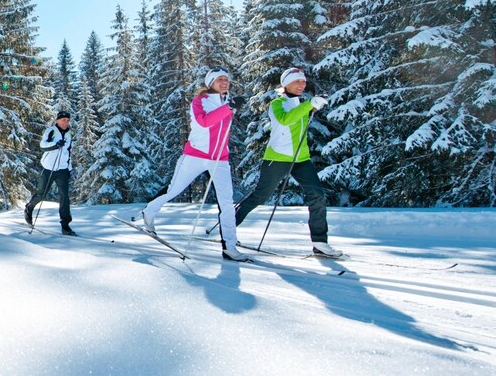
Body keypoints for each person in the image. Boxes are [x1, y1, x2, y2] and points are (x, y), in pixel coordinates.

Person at [137, 69, 249, 261]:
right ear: (210, 82)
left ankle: (230, 246)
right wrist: (228, 107)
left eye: (226, 79)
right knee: (174, 190)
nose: (224, 82)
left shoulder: (227, 101)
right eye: (220, 79)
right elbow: (204, 122)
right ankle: (149, 211)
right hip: (195, 155)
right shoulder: (200, 101)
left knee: (227, 203)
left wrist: (229, 106)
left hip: (220, 159)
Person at [233, 67, 343, 257]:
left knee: (317, 195)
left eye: (303, 82)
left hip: (301, 159)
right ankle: (228, 229)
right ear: (286, 84)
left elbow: (299, 120)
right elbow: (285, 120)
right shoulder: (277, 104)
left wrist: (310, 106)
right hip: (277, 158)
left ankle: (320, 243)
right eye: (297, 81)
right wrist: (309, 105)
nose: (302, 85)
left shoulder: (301, 103)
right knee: (260, 196)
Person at [24, 110, 75, 235]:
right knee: (41, 194)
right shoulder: (51, 131)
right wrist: (55, 144)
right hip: (48, 168)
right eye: (63, 120)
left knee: (65, 197)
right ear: (57, 120)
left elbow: (68, 153)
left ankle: (65, 225)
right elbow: (43, 145)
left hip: (62, 169)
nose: (66, 122)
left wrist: (69, 168)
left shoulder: (69, 134)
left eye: (68, 120)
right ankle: (29, 208)